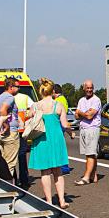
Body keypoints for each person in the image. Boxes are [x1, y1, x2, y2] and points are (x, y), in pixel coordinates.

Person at [28, 78, 71, 208]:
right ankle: (62, 201)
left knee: (45, 172)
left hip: (41, 138)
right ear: (53, 91)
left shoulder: (35, 105)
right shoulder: (58, 105)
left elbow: (29, 117)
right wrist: (70, 132)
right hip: (56, 138)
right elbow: (64, 124)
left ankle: (49, 201)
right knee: (58, 171)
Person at [74, 80, 102, 185]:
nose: (89, 90)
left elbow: (89, 116)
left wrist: (81, 112)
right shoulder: (81, 100)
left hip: (92, 128)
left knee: (90, 153)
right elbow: (76, 116)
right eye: (87, 88)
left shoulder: (96, 100)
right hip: (83, 128)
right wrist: (83, 114)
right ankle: (93, 175)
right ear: (84, 88)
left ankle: (86, 177)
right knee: (89, 154)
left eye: (91, 88)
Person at [0, 77, 20, 180]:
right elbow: (2, 110)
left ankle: (1, 182)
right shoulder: (10, 97)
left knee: (2, 160)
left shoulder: (0, 97)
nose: (19, 89)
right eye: (17, 86)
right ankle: (7, 186)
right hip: (10, 132)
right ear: (11, 87)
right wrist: (6, 125)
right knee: (10, 163)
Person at [14, 90, 35, 186]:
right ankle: (24, 180)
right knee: (22, 155)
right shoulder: (24, 97)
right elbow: (34, 108)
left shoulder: (2, 97)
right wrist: (28, 116)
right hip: (22, 128)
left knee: (11, 157)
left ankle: (12, 180)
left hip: (10, 131)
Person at [52, 84, 72, 175]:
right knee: (59, 147)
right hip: (60, 124)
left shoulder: (58, 100)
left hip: (59, 124)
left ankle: (63, 168)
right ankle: (61, 167)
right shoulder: (63, 99)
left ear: (53, 91)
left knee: (58, 147)